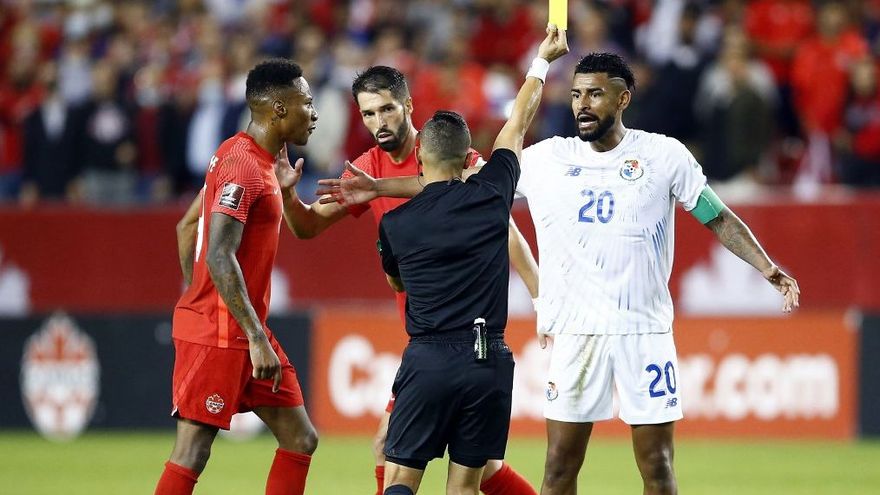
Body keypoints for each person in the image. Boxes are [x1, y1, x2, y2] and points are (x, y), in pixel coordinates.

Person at [317, 52, 801, 495]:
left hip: (646, 331)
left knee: (658, 466)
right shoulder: (548, 159)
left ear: (623, 98)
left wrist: (767, 267)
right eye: (575, 94)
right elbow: (456, 181)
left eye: (595, 93)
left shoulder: (664, 155)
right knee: (559, 468)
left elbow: (716, 215)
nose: (582, 104)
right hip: (576, 334)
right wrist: (378, 187)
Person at [268, 65, 541, 494]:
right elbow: (306, 226)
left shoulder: (447, 149)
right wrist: (287, 194)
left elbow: (488, 213)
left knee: (391, 447)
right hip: (429, 336)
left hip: (449, 338)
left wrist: (541, 295)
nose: (379, 122)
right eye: (368, 114)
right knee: (478, 470)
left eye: (387, 109)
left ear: (408, 105)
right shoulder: (363, 169)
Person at [368, 25, 568, 495]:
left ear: (420, 157)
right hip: (487, 359)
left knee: (400, 477)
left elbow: (398, 285)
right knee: (466, 487)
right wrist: (542, 61)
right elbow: (516, 124)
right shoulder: (492, 194)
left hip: (429, 357)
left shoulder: (394, 225)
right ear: (466, 159)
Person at [155, 59, 319, 495]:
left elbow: (187, 225)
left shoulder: (239, 155)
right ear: (279, 108)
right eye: (306, 102)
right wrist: (219, 314)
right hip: (224, 333)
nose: (314, 113)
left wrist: (203, 295)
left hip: (242, 329)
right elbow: (218, 253)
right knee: (192, 450)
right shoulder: (244, 168)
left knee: (301, 438)